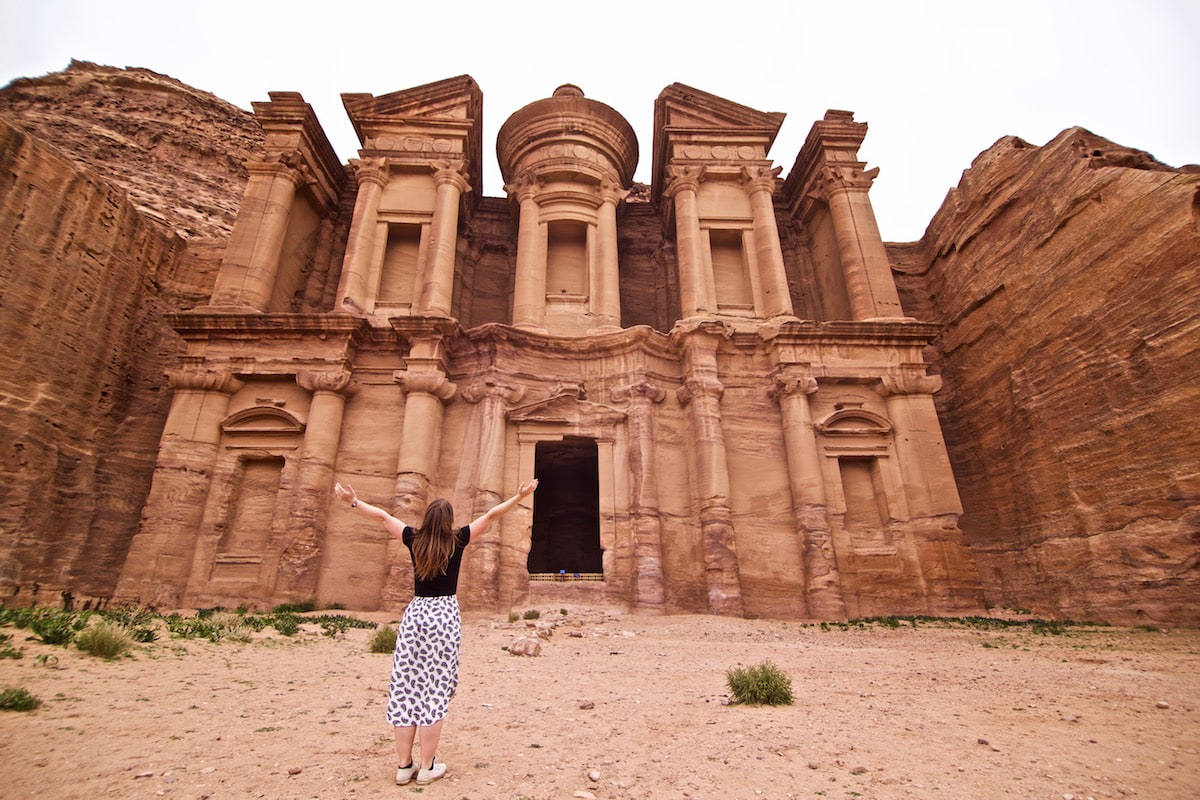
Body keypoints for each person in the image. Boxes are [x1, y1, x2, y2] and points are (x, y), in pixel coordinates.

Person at [333, 478, 538, 785]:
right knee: (435, 690)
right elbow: (492, 515)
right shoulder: (459, 540)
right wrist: (519, 496)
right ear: (449, 522)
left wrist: (353, 501)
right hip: (444, 616)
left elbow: (383, 517)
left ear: (426, 520)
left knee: (405, 688)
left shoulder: (412, 538)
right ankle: (427, 766)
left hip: (416, 614)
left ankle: (404, 766)